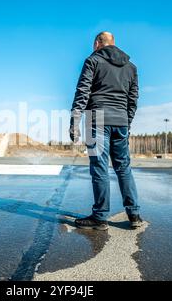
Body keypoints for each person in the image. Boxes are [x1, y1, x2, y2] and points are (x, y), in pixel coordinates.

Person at [70, 31, 142, 230]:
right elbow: (133, 99)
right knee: (123, 168)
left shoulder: (93, 60)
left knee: (100, 167)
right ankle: (134, 214)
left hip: (97, 118)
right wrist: (127, 123)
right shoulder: (131, 67)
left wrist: (74, 121)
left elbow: (82, 91)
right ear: (114, 43)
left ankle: (100, 217)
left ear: (96, 43)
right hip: (120, 120)